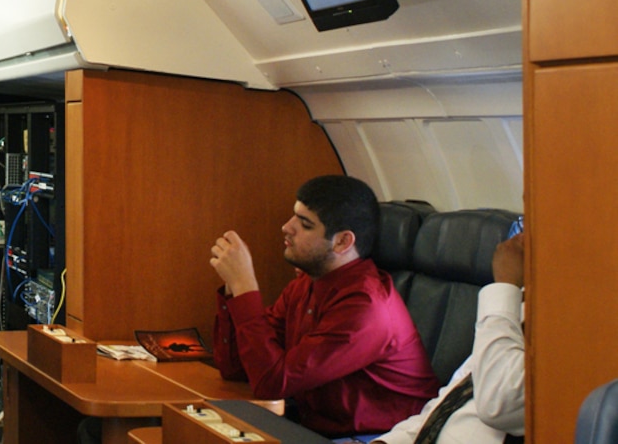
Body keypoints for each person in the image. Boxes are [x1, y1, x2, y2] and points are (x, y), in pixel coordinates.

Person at [210, 175, 439, 438]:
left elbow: (272, 383)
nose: (286, 227)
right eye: (293, 216)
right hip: (319, 430)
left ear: (342, 242)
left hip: (381, 437)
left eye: (305, 224)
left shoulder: (366, 308)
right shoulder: (308, 283)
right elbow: (238, 368)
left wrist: (244, 286)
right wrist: (233, 288)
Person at [371, 232, 525, 444]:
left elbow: (499, 404)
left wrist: (506, 286)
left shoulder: (572, 337)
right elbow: (447, 403)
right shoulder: (519, 310)